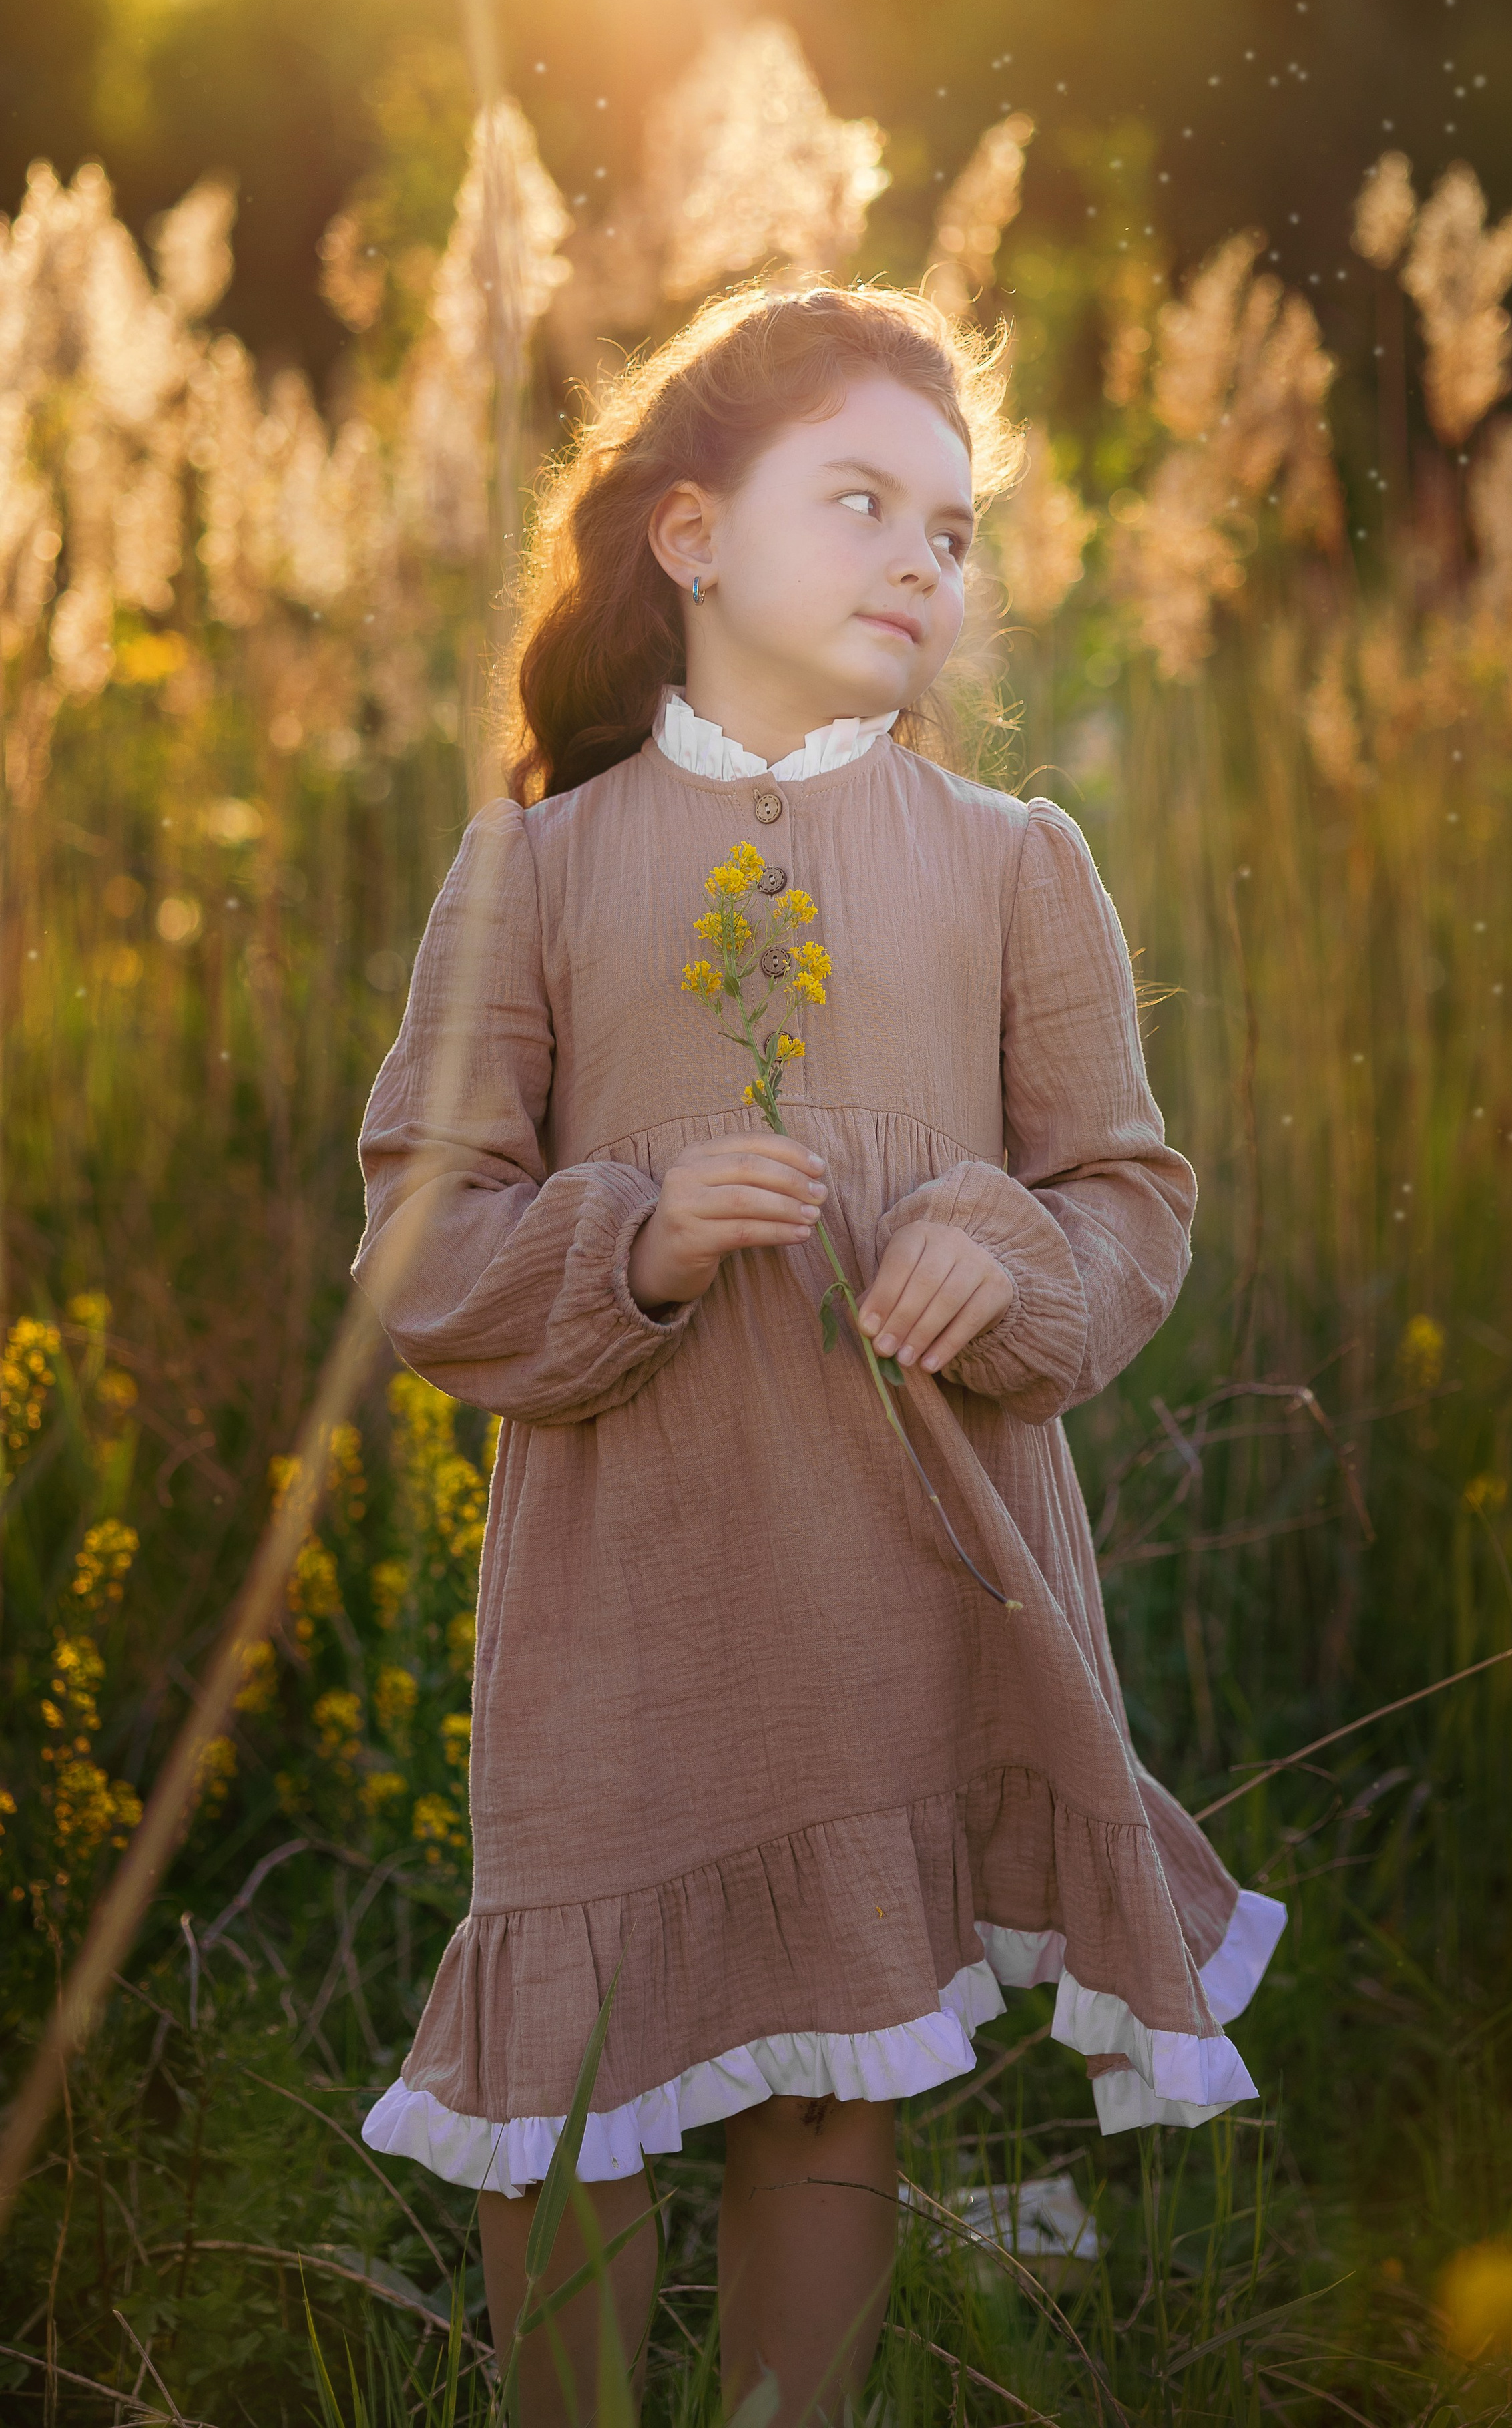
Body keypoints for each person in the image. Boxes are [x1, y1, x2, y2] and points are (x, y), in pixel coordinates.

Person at [352, 283, 1284, 2423]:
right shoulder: (539, 869)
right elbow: (422, 1235)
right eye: (861, 503)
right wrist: (635, 1233)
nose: (919, 564)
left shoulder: (1012, 865)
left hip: (899, 1578)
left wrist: (998, 1246)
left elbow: (1126, 1197)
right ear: (688, 540)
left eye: (950, 533)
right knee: (564, 2098)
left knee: (827, 2085)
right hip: (631, 1594)